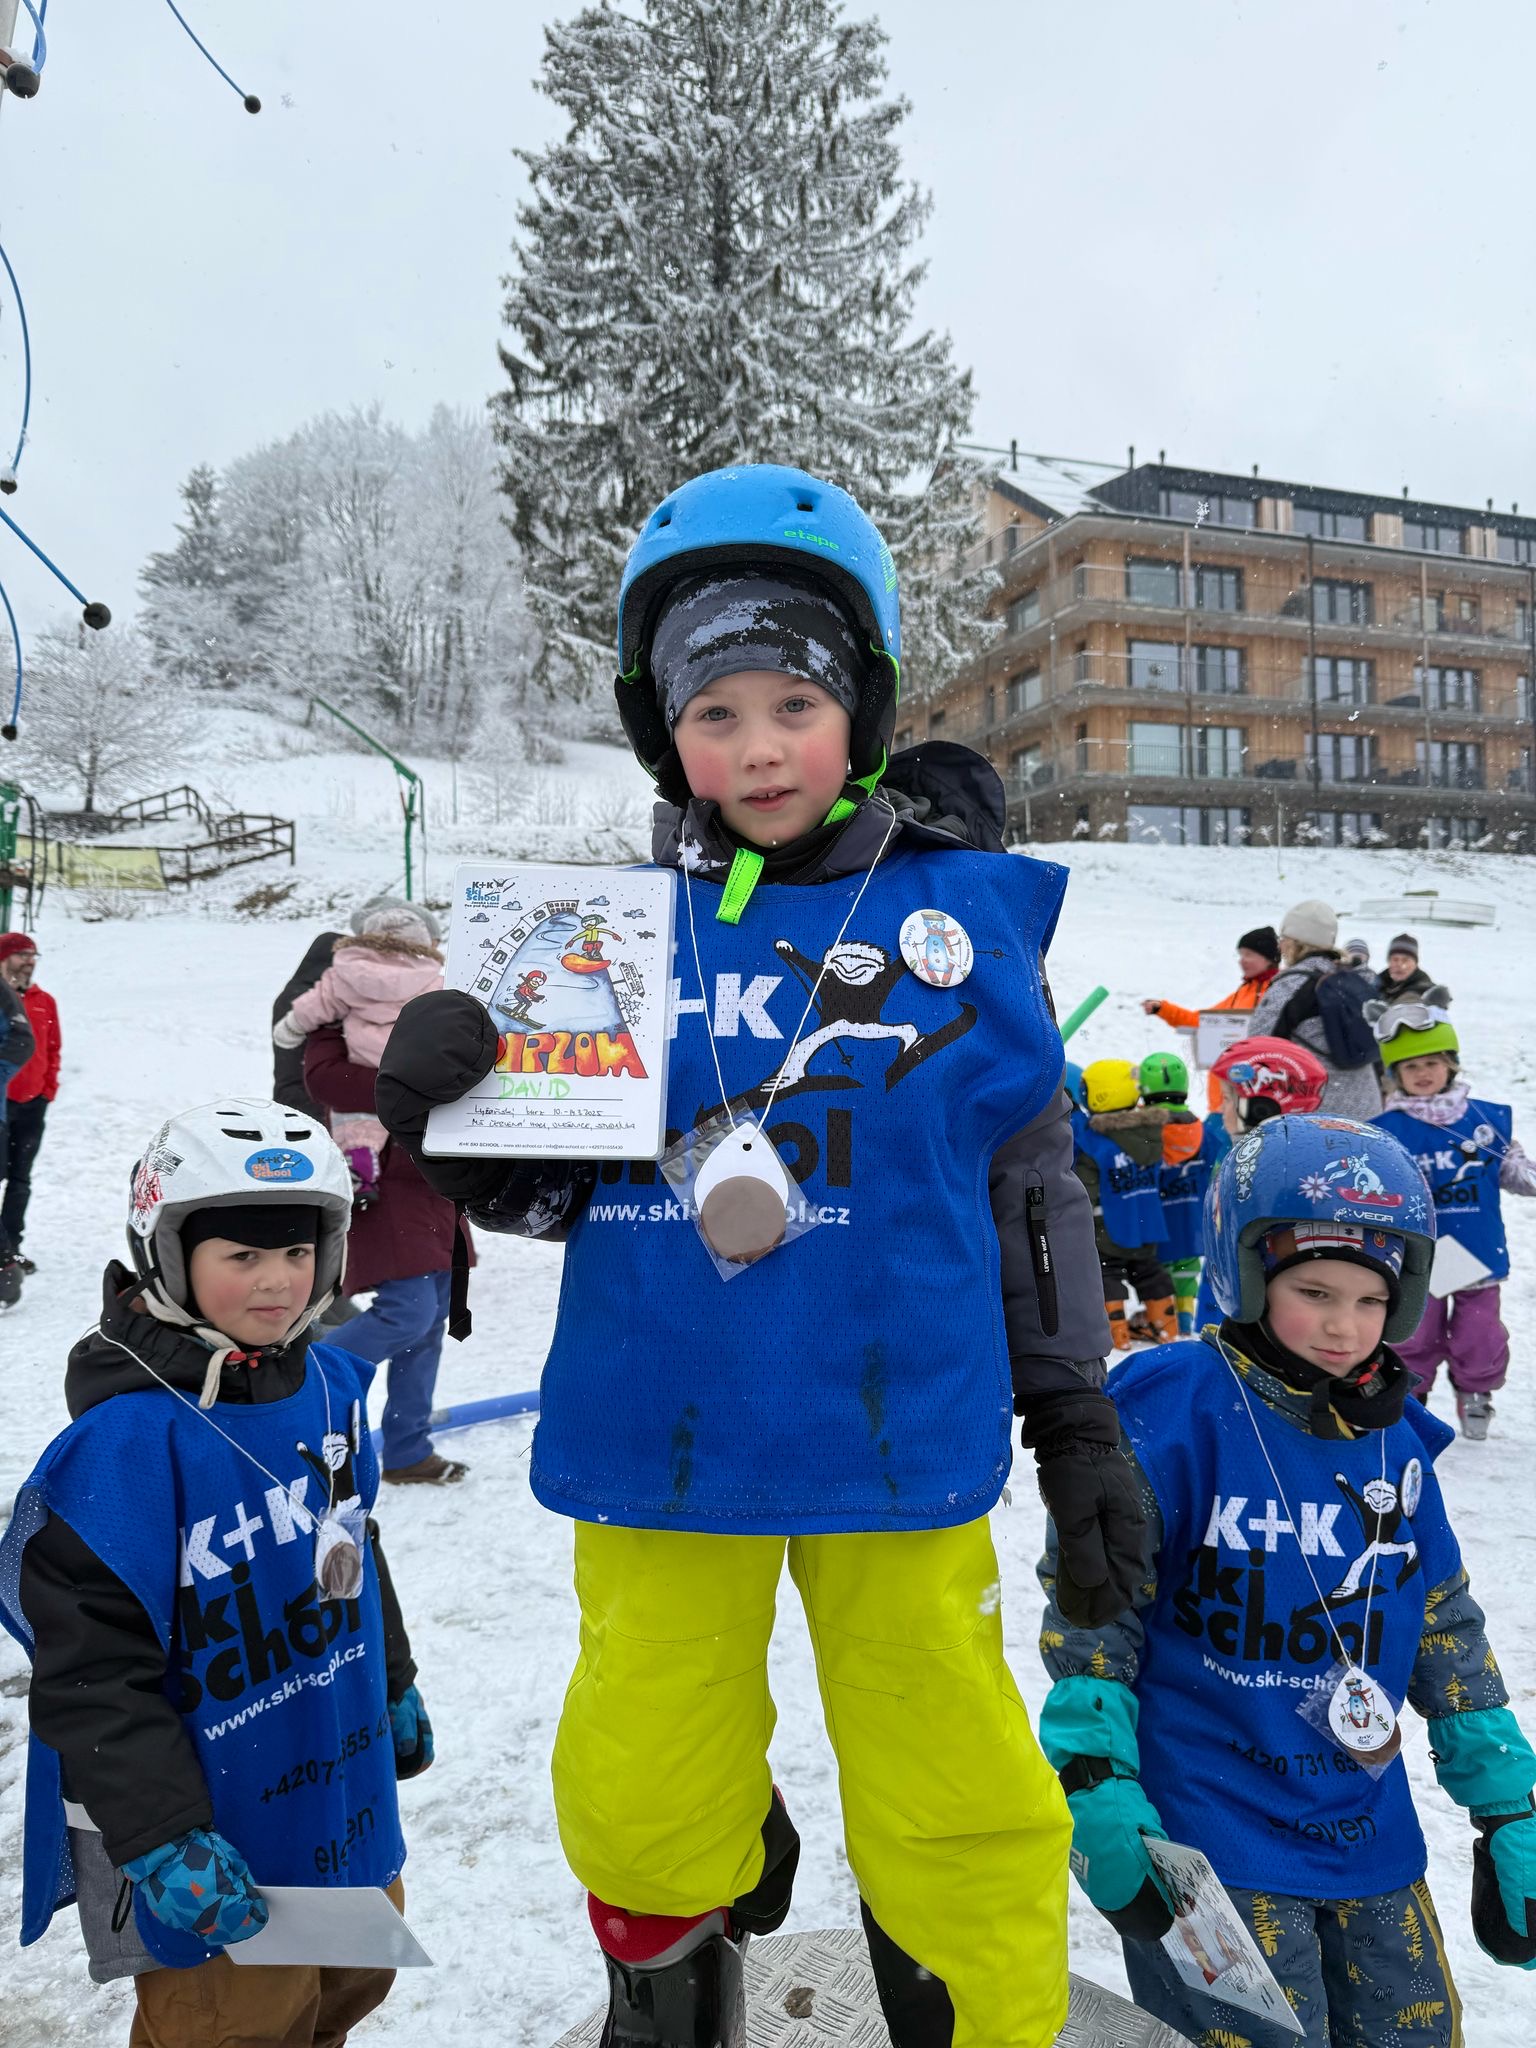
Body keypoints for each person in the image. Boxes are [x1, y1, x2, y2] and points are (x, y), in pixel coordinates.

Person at [377, 462, 1138, 2048]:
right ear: (665, 734)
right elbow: (554, 1198)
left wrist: (1075, 1412)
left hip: (897, 1435)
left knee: (953, 1777)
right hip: (664, 1434)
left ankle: (984, 2016)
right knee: (644, 1770)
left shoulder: (956, 921)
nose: (760, 746)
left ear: (862, 705)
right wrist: (459, 1127)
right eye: (713, 713)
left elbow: (1030, 1189)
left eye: (795, 702)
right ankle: (671, 1977)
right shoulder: (600, 943)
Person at [1038, 1113, 1536, 2047]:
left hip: (1365, 1829)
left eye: (1372, 1300)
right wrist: (1096, 1777)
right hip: (1208, 1831)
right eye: (1315, 1292)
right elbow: (1097, 1610)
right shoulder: (1173, 1413)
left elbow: (1441, 1621)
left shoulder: (1392, 1439)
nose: (1345, 1327)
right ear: (1247, 1272)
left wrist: (1509, 1805)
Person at [0, 1099, 433, 2046]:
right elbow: (91, 1673)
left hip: (336, 1789)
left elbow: (354, 1547)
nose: (278, 1280)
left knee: (348, 1988)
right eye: (243, 1255)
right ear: (168, 1255)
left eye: (298, 1251)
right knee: (240, 2026)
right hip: (216, 1831)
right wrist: (161, 1837)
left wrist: (393, 1679)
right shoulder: (122, 1450)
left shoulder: (329, 1386)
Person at [303, 1021, 473, 1486]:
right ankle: (292, 1382)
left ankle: (407, 1450)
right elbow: (325, 1080)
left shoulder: (433, 1006)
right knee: (408, 1314)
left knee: (430, 1323)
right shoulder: (336, 1014)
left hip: (436, 1184)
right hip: (381, 1185)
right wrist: (416, 1084)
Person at [1371, 1005, 1535, 1441]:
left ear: (1451, 1065)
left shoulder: (1483, 1121)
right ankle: (1409, 1399)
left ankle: (1476, 1391)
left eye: (1432, 1063)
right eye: (1411, 1066)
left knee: (1480, 1334)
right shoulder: (1385, 1130)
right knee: (1412, 1335)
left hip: (1474, 1253)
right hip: (1416, 1257)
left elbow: (1512, 1168)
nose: (1423, 1073)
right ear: (1395, 1074)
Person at [274, 902, 443, 1206]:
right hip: (409, 1060)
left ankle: (359, 1168)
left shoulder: (343, 975)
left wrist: (290, 1028)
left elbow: (316, 1005)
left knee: (354, 1121)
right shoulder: (432, 980)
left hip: (360, 1057)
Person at [1072, 1056, 1191, 1349]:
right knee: (1148, 1270)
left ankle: (1116, 1332)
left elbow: (1085, 1186)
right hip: (1147, 1222)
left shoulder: (1095, 1141)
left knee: (1107, 1272)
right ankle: (1165, 1324)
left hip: (1108, 1225)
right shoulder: (1150, 1132)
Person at [1250, 900, 1380, 1119]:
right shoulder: (1355, 980)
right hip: (1368, 1107)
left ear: (1295, 943)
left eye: (1284, 938)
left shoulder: (1292, 985)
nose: (1280, 946)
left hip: (1318, 1113)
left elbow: (1257, 1046)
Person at [1140, 925, 1280, 1109]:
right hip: (1221, 1100)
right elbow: (1202, 1022)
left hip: (1255, 1100)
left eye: (1248, 955)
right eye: (1240, 955)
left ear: (1268, 958)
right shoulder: (1242, 993)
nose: (1242, 961)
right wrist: (1164, 1009)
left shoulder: (1279, 992)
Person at [1137, 1051, 1210, 1335]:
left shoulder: (1143, 1132)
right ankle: (1185, 1319)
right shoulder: (1201, 1129)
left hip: (1157, 1218)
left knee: (1158, 1271)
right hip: (1191, 1216)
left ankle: (1163, 1320)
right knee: (1187, 1270)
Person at [0, 932, 60, 1278]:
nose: (29, 961)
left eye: (33, 955)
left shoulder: (43, 1001)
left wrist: (47, 1091)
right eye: (22, 954)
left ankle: (11, 1249)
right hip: (1, 1103)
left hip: (32, 1105)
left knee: (20, 1180)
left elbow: (53, 1049)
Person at [1377, 931, 1451, 1012]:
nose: (1399, 964)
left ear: (1415, 963)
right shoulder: (1375, 983)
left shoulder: (1423, 992)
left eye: (1405, 960)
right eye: (1395, 959)